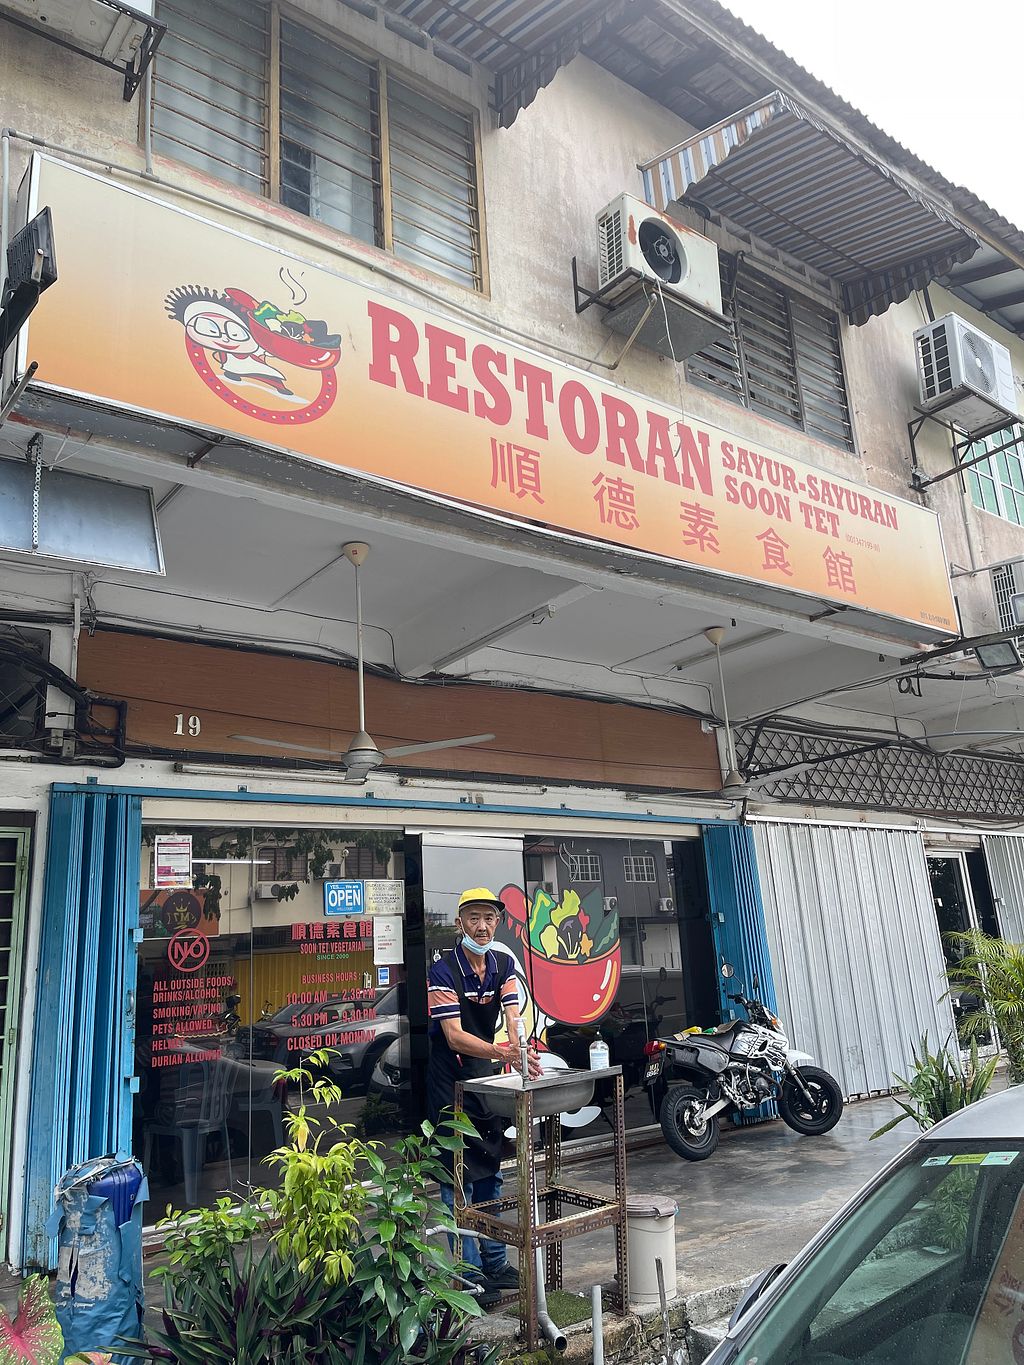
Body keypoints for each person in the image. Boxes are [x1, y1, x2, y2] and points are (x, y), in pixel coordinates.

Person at [427, 887, 540, 1304]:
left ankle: (494, 1262)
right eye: (473, 918)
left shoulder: (503, 964)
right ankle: (469, 1273)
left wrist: (521, 1054)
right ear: (460, 923)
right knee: (457, 1179)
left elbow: (513, 1016)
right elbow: (454, 1037)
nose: (482, 926)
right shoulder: (442, 971)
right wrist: (502, 1053)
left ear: (498, 922)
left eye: (489, 918)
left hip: (485, 1080)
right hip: (449, 1083)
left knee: (491, 1171)